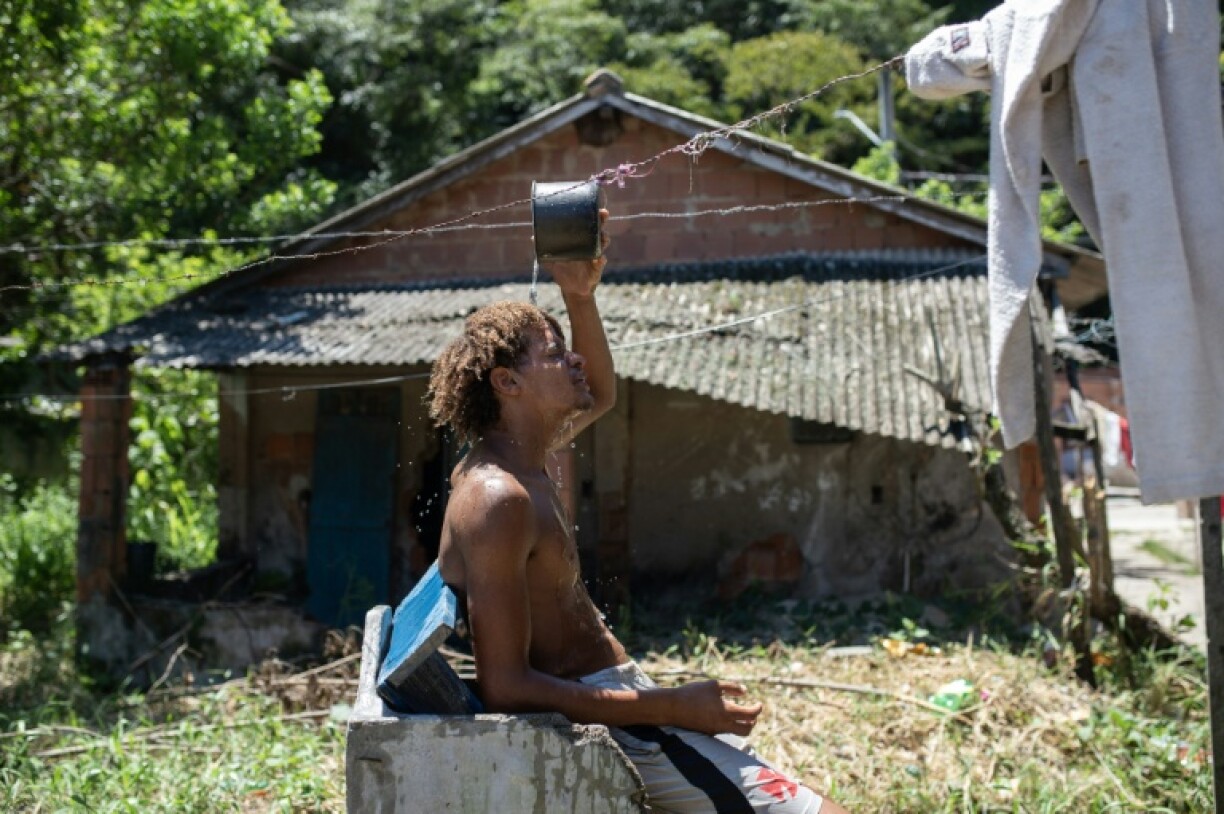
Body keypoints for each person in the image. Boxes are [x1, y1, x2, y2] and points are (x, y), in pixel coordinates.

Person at [428, 211, 847, 814]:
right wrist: (674, 706)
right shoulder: (499, 499)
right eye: (554, 355)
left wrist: (579, 295)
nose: (572, 361)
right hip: (618, 721)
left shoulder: (515, 459)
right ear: (506, 383)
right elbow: (507, 687)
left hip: (621, 702)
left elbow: (599, 391)